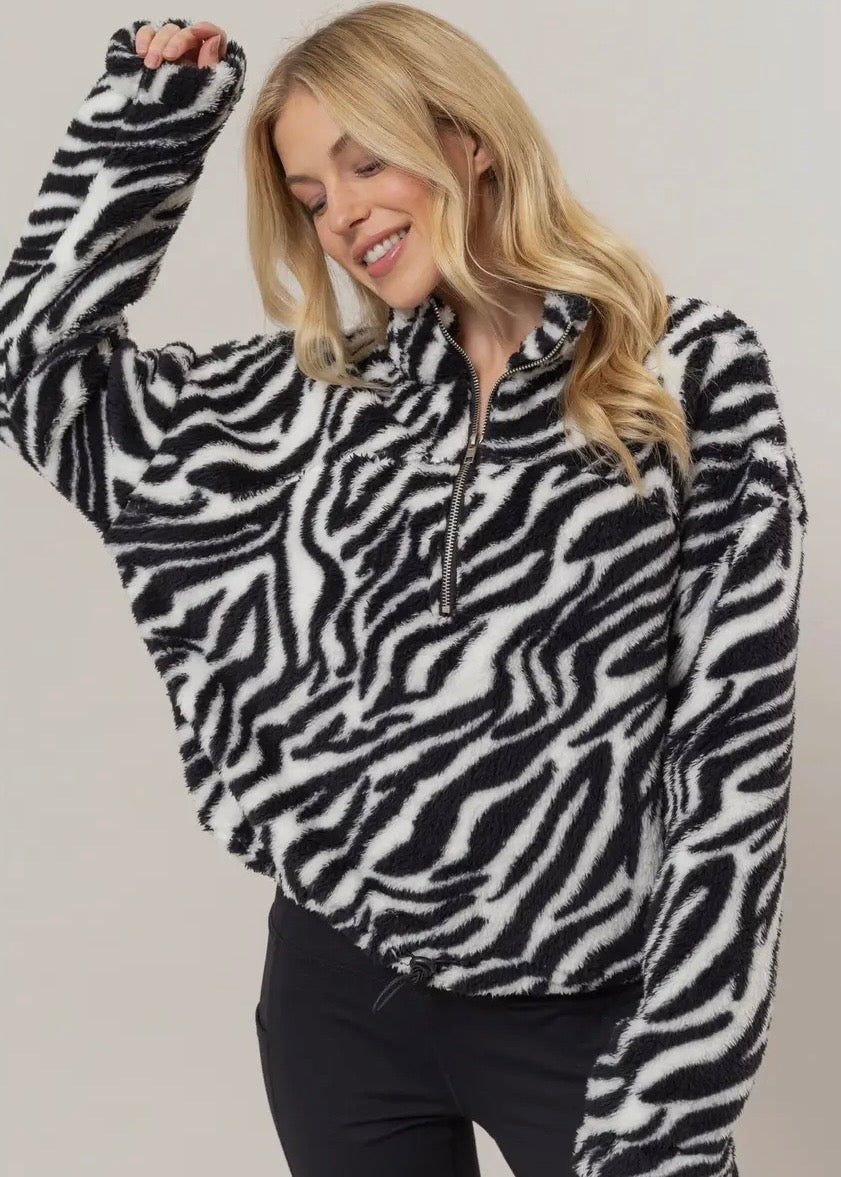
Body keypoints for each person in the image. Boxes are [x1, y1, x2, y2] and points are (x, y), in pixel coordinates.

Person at [0, 6, 807, 1177]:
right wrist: (150, 124)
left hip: (585, 1016)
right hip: (342, 1002)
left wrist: (677, 1078)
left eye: (365, 162)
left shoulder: (687, 374)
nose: (343, 214)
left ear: (465, 140)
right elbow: (40, 377)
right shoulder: (320, 402)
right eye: (310, 196)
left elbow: (732, 757)